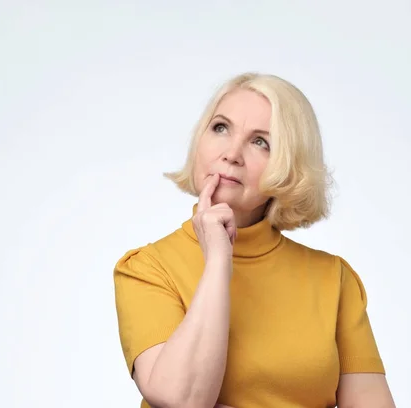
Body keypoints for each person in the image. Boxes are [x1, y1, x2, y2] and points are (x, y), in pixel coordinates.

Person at [113, 72, 396, 408]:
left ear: (290, 167)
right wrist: (218, 263)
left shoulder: (334, 280)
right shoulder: (146, 269)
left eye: (261, 142)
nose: (232, 153)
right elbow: (181, 399)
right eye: (220, 128)